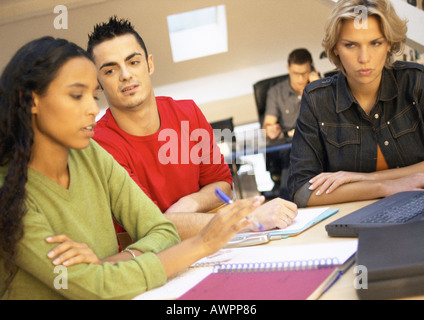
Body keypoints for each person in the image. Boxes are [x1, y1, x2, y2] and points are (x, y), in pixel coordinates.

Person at [0, 36, 267, 299]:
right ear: (31, 100)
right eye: (77, 95)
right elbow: (96, 287)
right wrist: (202, 243)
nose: (93, 108)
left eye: (93, 96)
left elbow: (162, 230)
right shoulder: (9, 191)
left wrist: (110, 263)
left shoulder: (90, 154)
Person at [88, 17, 298, 240]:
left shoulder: (187, 113)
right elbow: (151, 227)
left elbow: (223, 186)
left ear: (149, 64)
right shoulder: (100, 145)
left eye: (133, 62)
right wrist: (245, 220)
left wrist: (189, 202)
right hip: (151, 262)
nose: (125, 75)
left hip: (210, 248)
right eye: (110, 70)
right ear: (98, 83)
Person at [288, 0, 424, 208]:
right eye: (350, 45)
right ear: (335, 49)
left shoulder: (416, 82)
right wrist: (384, 187)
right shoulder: (318, 99)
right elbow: (302, 190)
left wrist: (361, 178)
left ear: (389, 44)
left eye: (375, 43)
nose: (364, 58)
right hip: (358, 217)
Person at [262, 49, 320, 200]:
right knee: (294, 151)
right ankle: (289, 198)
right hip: (290, 146)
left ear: (312, 69)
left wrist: (316, 87)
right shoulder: (276, 92)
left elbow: (329, 117)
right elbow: (267, 127)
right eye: (296, 73)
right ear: (288, 69)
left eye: (305, 73)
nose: (301, 78)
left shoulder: (319, 87)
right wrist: (271, 130)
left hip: (317, 141)